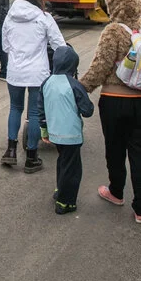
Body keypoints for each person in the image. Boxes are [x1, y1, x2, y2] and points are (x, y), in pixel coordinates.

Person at [79, 0, 141, 225]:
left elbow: (101, 66)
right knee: (140, 156)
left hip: (114, 101)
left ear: (115, 8)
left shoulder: (112, 31)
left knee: (115, 149)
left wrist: (81, 89)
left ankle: (116, 192)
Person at [0, 0, 66, 173]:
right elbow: (59, 45)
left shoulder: (9, 18)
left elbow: (5, 47)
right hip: (38, 72)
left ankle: (11, 151)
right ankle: (31, 157)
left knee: (15, 108)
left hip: (15, 71)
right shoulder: (44, 18)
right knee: (35, 114)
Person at [41, 45, 93, 214]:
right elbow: (88, 110)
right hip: (71, 134)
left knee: (62, 161)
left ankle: (59, 189)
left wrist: (44, 129)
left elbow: (40, 109)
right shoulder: (74, 85)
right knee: (72, 169)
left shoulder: (46, 83)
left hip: (55, 133)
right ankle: (65, 202)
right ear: (74, 65)